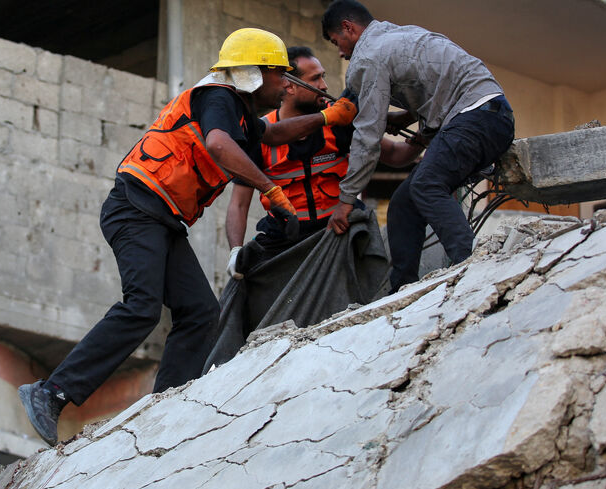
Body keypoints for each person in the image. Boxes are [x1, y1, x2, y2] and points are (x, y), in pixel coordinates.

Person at [18, 28, 358, 447]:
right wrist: (271, 190)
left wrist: (328, 118)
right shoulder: (218, 97)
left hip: (160, 217)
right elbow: (217, 145)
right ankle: (51, 392)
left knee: (200, 311)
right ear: (253, 74)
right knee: (142, 307)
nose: (287, 86)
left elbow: (269, 135)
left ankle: (164, 405)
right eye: (280, 75)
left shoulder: (239, 111)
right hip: (135, 209)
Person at [321, 0, 516, 293]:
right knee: (403, 203)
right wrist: (413, 121)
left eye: (337, 42)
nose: (340, 52)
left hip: (475, 115)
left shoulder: (368, 57)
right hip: (490, 116)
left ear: (349, 28)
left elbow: (367, 137)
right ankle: (403, 290)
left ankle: (474, 267)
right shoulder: (402, 36)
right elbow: (436, 85)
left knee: (426, 184)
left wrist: (346, 200)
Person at [225, 46, 422, 278]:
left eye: (323, 77)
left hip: (340, 229)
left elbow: (397, 156)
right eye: (315, 78)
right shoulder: (259, 134)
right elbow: (238, 204)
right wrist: (235, 252)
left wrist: (426, 132)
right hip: (286, 240)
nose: (324, 86)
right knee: (240, 296)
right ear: (288, 85)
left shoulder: (341, 118)